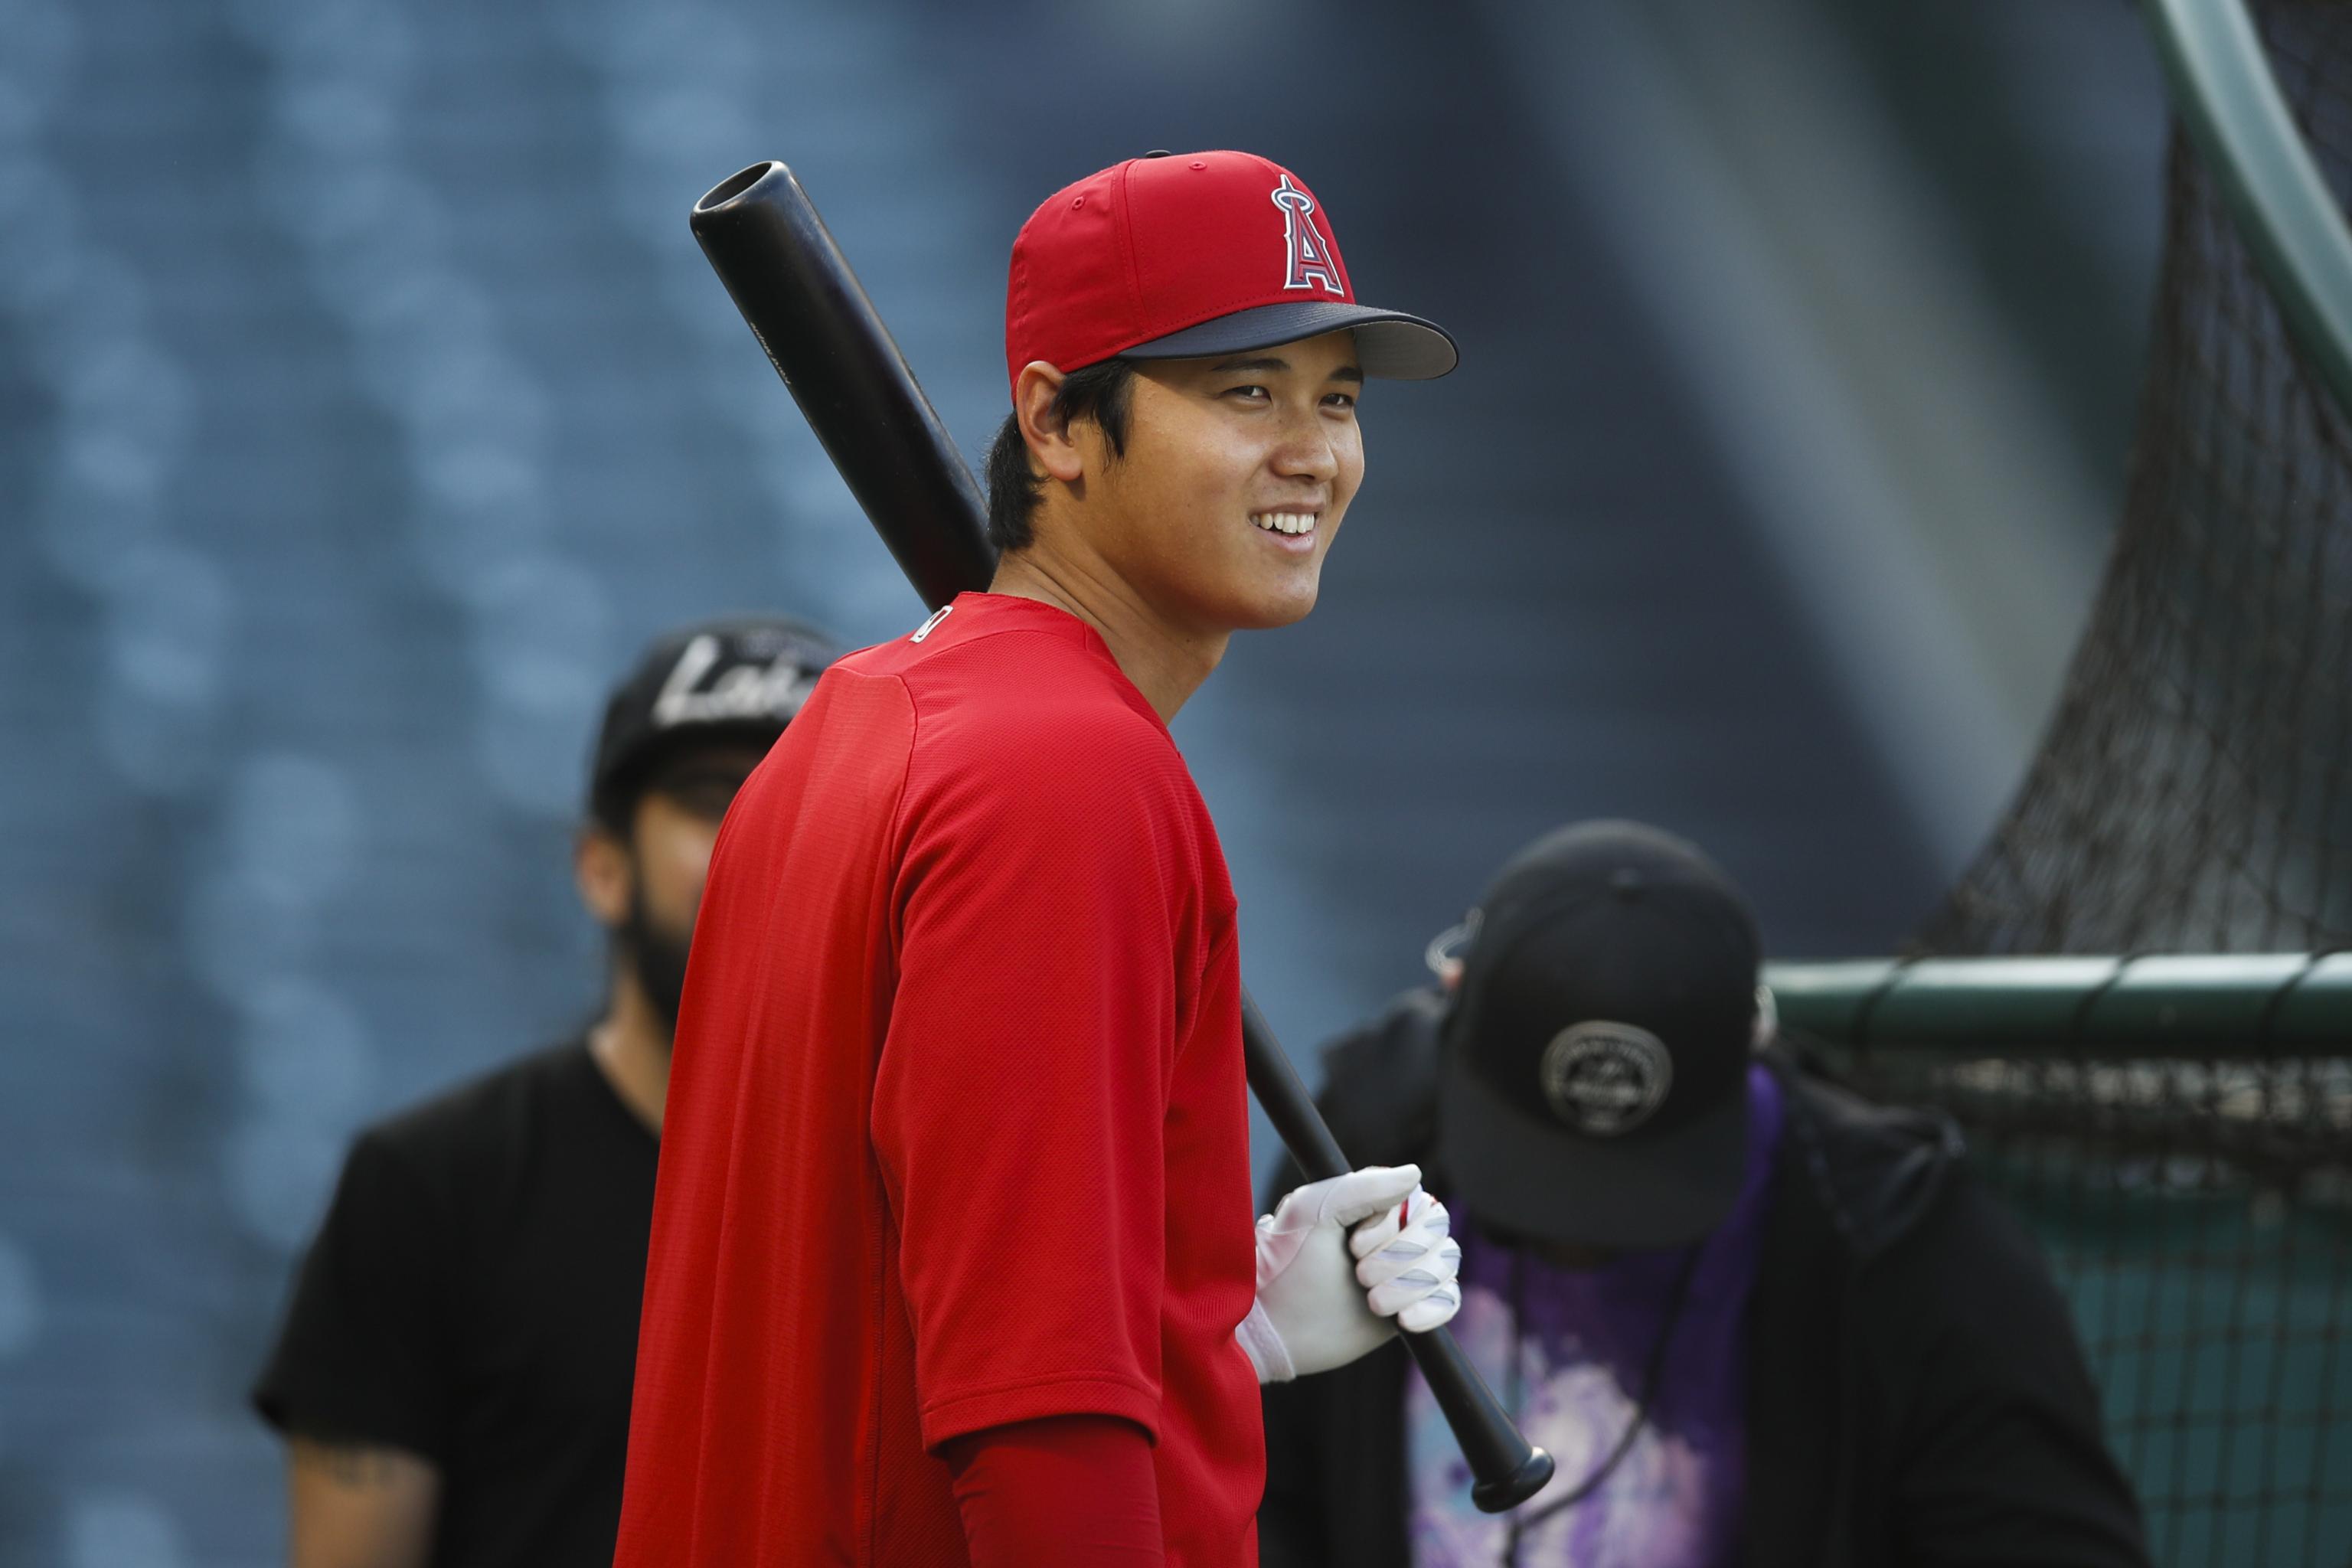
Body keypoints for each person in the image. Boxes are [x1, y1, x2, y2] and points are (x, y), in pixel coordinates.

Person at [613, 150, 1466, 1568]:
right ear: (1056, 423)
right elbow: (1036, 1412)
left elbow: (891, 1312)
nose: (1312, 449)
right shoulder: (1065, 776)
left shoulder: (852, 723)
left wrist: (1210, 1330)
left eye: (1336, 397)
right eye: (1244, 390)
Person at [1259, 820, 2151, 1568]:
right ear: (1452, 993)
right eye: (1534, 1177)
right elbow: (1259, 1497)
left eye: (1636, 1192)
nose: (1579, 1239)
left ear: (1757, 1037)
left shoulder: (1901, 1233)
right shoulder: (1357, 1157)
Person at [251, 615, 842, 1568]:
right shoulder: (428, 1191)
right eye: (711, 800)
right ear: (601, 868)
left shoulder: (926, 1193)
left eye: (806, 798)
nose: (761, 837)